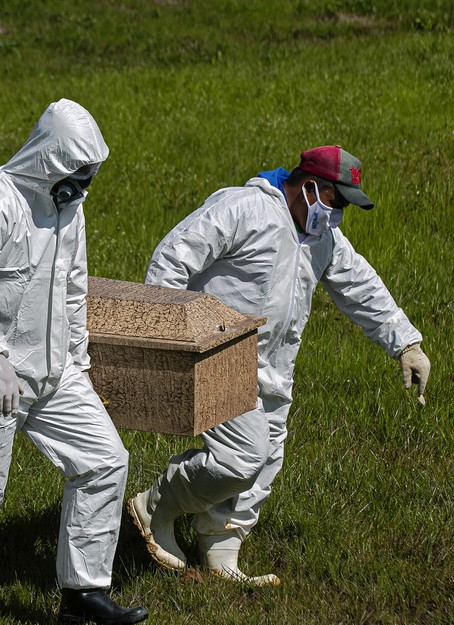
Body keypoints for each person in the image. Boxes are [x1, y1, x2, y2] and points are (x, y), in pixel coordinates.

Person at [127, 146, 431, 585]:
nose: (339, 211)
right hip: (215, 354)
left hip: (273, 366)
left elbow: (360, 285)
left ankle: (220, 548)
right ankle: (157, 505)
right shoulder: (245, 208)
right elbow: (174, 256)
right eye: (336, 199)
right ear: (310, 186)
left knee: (267, 459)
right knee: (242, 457)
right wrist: (167, 335)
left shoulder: (320, 237)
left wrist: (406, 343)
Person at [0, 99, 149, 625]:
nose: (83, 186)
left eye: (90, 177)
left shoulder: (68, 206)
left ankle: (84, 594)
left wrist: (81, 364)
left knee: (104, 460)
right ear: (50, 160)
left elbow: (73, 289)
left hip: (54, 371)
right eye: (78, 174)